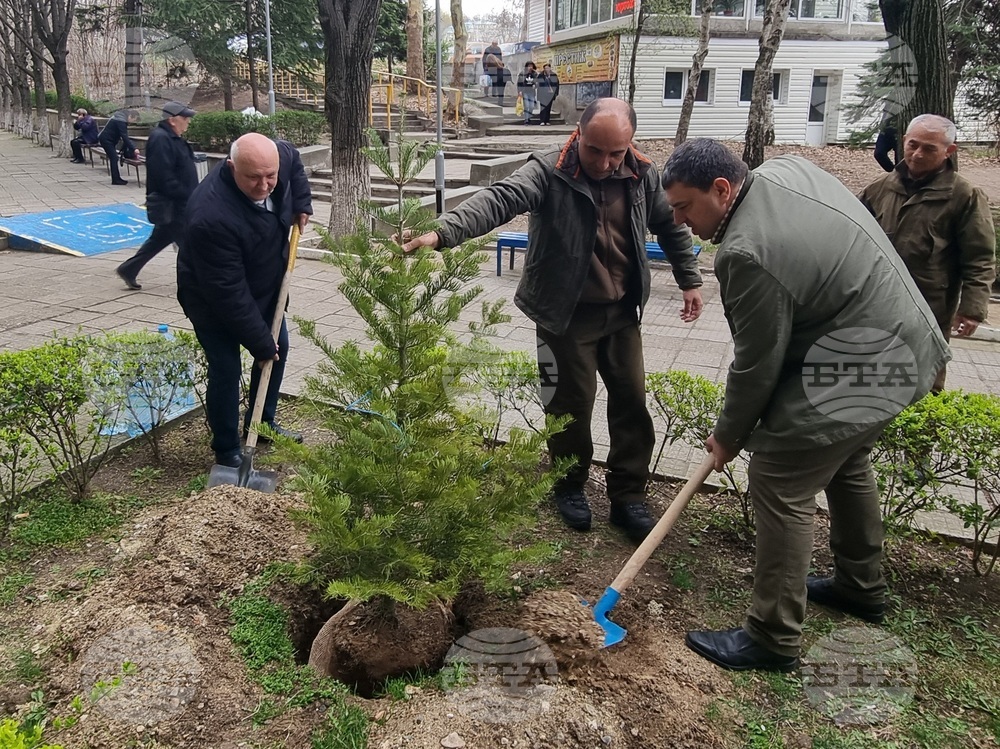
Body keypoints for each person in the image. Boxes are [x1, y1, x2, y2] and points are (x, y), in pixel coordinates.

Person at [661, 139, 949, 672]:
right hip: (908, 342)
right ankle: (860, 585)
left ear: (722, 190)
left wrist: (729, 435)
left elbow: (757, 363)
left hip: (864, 361)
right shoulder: (786, 170)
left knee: (779, 478)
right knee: (847, 458)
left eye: (684, 207)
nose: (679, 221)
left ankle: (772, 635)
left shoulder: (745, 252)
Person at [402, 98, 704, 543]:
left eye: (615, 153)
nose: (604, 163)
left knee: (631, 404)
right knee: (567, 408)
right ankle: (568, 485)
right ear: (577, 135)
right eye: (595, 150)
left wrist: (689, 278)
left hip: (622, 314)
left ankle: (628, 496)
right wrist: (442, 232)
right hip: (562, 315)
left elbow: (670, 224)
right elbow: (500, 199)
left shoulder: (643, 174)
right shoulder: (547, 171)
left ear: (630, 145)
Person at [176, 133, 313, 468]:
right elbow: (228, 293)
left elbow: (292, 159)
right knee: (227, 367)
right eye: (254, 178)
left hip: (265, 287)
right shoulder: (211, 217)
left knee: (277, 353)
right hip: (212, 299)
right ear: (231, 166)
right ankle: (226, 449)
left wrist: (302, 203)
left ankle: (262, 422)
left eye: (271, 176)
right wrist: (258, 341)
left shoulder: (274, 158)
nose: (265, 185)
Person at [860, 114, 996, 391]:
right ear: (903, 142)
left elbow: (980, 258)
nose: (917, 154)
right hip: (876, 301)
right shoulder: (881, 187)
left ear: (950, 151)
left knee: (922, 379)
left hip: (930, 305)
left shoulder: (964, 196)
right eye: (913, 145)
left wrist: (971, 310)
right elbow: (849, 235)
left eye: (929, 148)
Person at [115, 101, 198, 290]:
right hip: (173, 204)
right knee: (190, 244)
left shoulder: (172, 137)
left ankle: (129, 269)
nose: (188, 122)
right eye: (185, 118)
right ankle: (198, 279)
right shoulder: (161, 139)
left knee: (159, 240)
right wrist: (186, 194)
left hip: (177, 204)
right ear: (172, 119)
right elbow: (163, 175)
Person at [98, 108, 140, 186]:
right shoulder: (121, 120)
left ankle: (116, 178)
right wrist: (134, 149)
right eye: (134, 120)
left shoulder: (121, 117)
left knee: (114, 158)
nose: (132, 122)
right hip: (107, 140)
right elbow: (124, 136)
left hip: (108, 139)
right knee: (114, 158)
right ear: (131, 116)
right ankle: (116, 179)